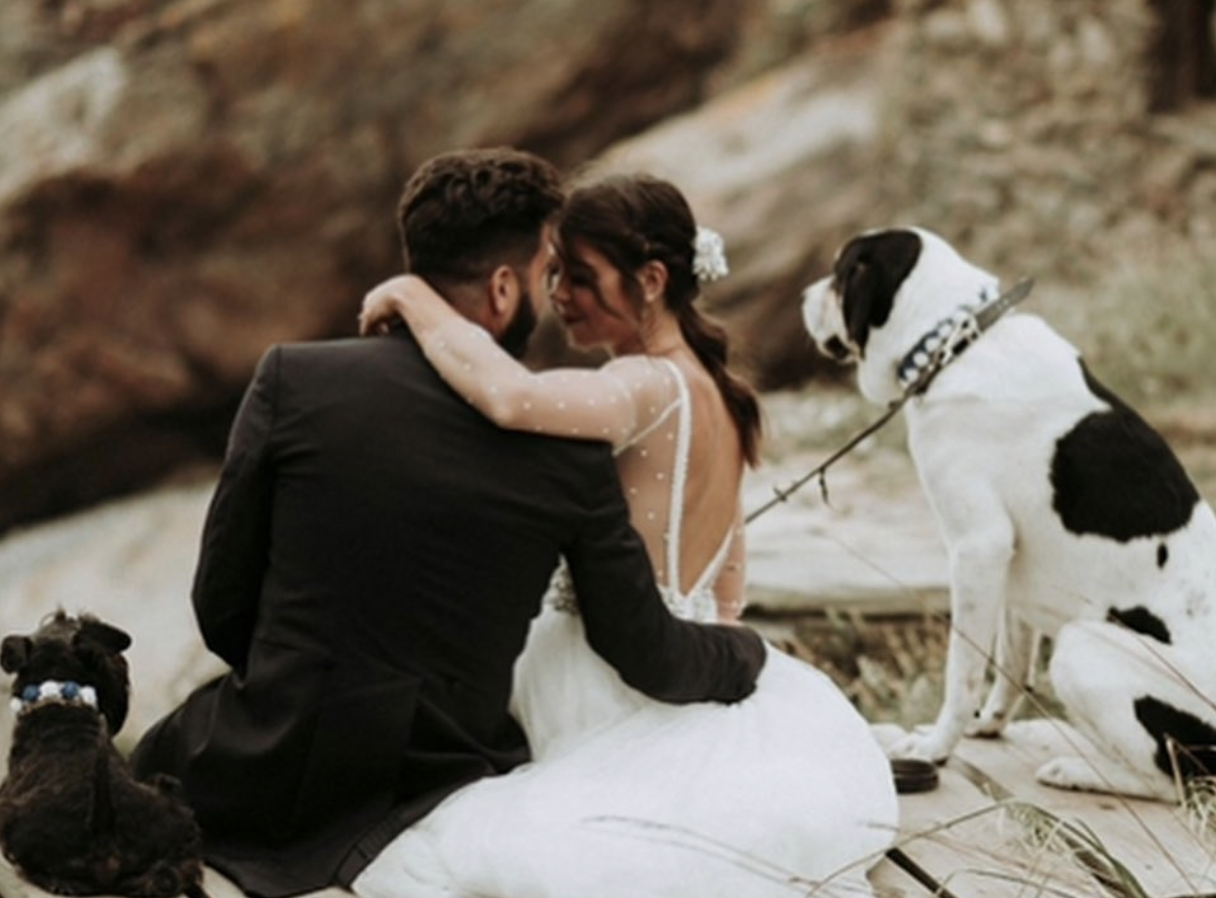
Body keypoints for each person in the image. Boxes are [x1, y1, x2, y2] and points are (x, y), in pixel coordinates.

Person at [128, 149, 767, 898]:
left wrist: (293, 682)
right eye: (545, 273)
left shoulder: (291, 380)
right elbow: (648, 641)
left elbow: (222, 603)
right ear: (503, 288)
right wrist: (741, 650)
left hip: (255, 760)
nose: (556, 294)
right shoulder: (569, 455)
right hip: (434, 785)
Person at [353, 174, 899, 898]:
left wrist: (410, 296)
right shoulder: (718, 387)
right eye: (555, 275)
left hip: (607, 677)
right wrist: (707, 686)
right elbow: (729, 565)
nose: (560, 296)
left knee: (490, 841)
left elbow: (512, 397)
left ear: (649, 280)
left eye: (581, 277)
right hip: (689, 653)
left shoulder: (649, 385)